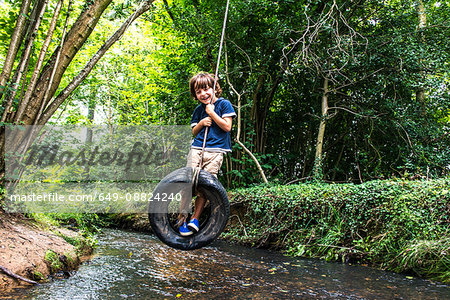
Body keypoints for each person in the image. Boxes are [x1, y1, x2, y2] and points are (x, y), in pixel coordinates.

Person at [179, 72, 236, 236]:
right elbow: (194, 132)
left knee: (204, 187)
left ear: (214, 88)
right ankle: (182, 217)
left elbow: (227, 127)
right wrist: (203, 122)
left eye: (206, 89)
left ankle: (195, 219)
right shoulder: (198, 110)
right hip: (197, 148)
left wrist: (212, 113)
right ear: (195, 95)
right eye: (198, 92)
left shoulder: (224, 104)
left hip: (216, 151)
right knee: (188, 182)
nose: (203, 94)